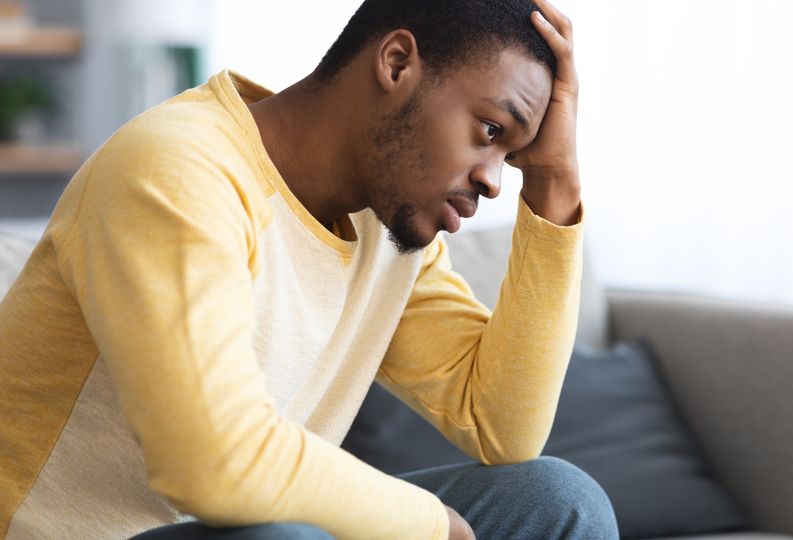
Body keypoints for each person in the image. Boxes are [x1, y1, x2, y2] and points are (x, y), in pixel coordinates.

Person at [0, 0, 619, 538]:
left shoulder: (390, 228)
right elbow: (213, 461)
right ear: (397, 63)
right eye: (489, 129)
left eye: (511, 155)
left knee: (559, 503)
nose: (492, 179)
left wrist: (553, 177)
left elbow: (501, 427)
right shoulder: (179, 168)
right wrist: (431, 525)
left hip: (251, 528)